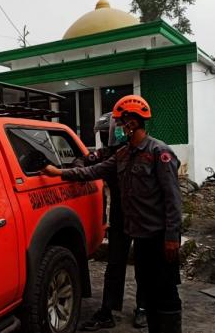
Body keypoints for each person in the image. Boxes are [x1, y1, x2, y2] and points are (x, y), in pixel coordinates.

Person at [42, 95, 183, 333]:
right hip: (135, 231)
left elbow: (173, 199)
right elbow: (92, 170)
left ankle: (160, 322)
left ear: (134, 122)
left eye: (121, 121)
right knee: (146, 284)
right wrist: (59, 172)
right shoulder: (122, 155)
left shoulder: (159, 153)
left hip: (158, 236)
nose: (118, 126)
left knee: (166, 291)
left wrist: (172, 236)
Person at [77, 112, 147, 331]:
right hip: (119, 217)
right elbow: (85, 161)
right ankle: (107, 310)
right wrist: (75, 166)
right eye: (107, 132)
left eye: (111, 131)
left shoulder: (144, 151)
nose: (110, 135)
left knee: (144, 266)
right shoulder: (110, 154)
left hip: (144, 218)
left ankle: (143, 309)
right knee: (115, 265)